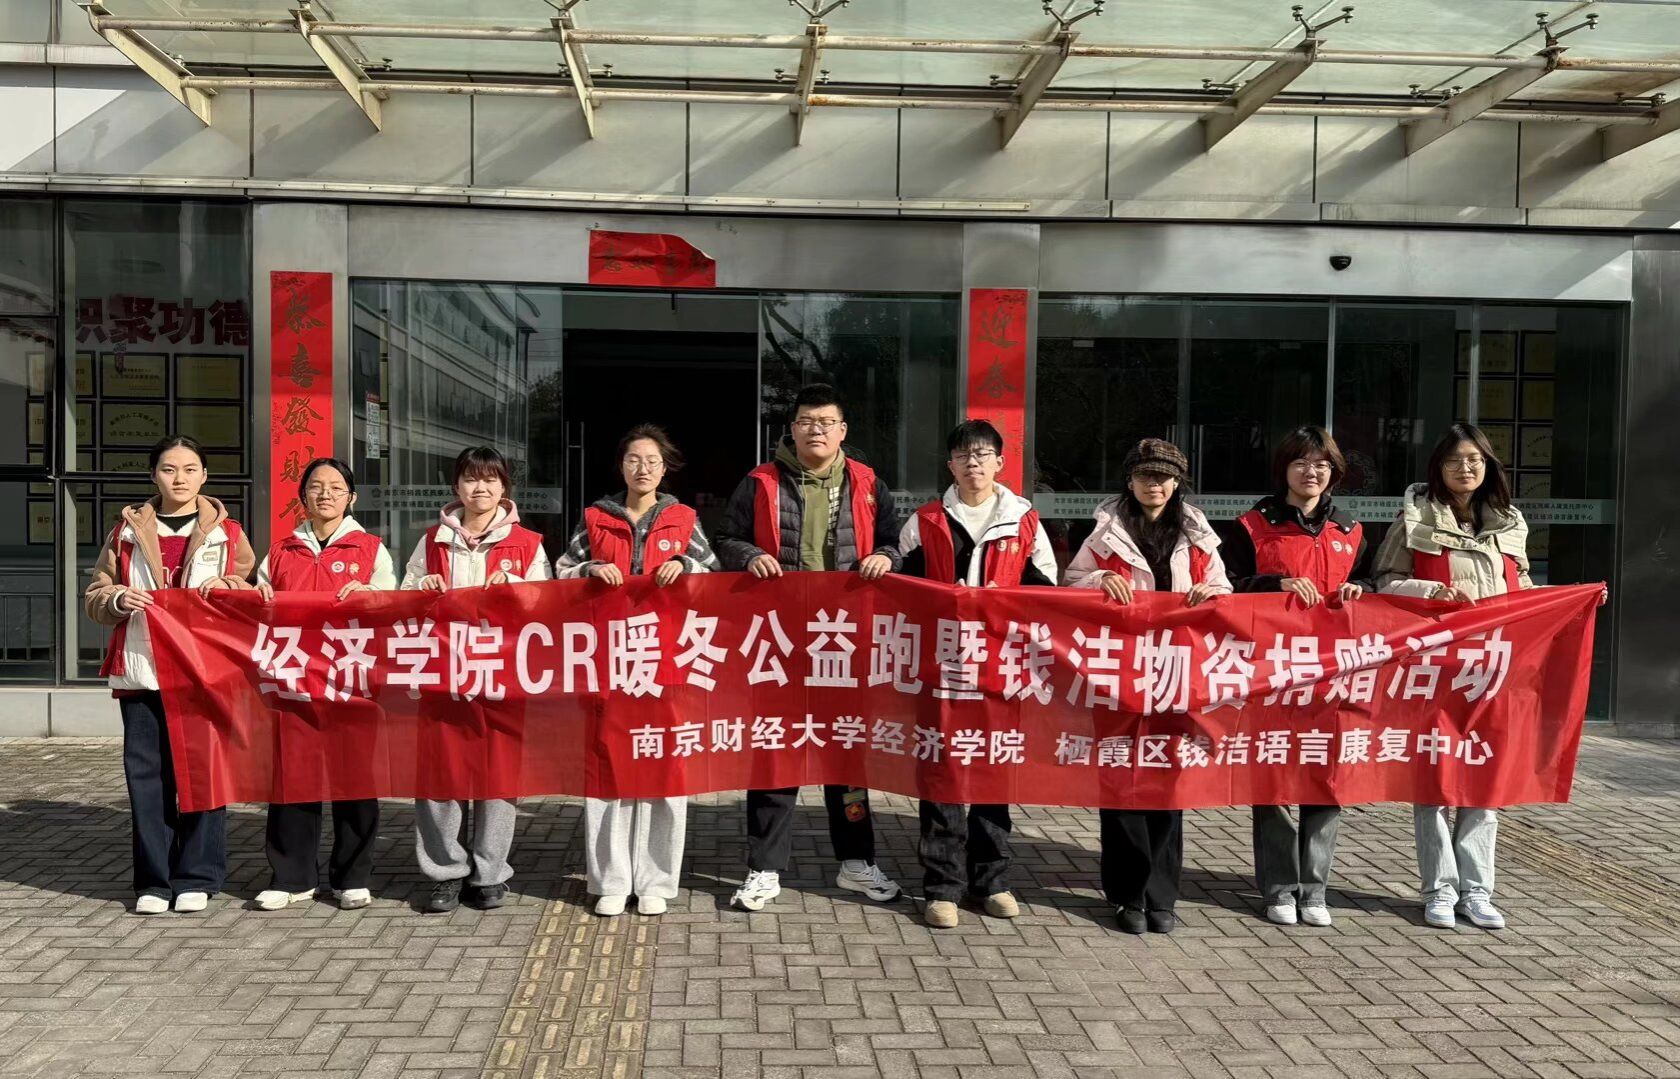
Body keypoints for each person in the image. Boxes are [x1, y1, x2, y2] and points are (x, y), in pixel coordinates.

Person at [714, 383, 904, 912]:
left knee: (847, 754)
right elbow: (725, 539)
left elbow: (894, 543)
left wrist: (886, 557)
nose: (815, 429)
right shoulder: (760, 482)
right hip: (779, 639)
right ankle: (764, 868)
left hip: (845, 640)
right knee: (775, 751)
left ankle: (856, 861)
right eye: (806, 421)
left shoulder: (868, 484)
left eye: (825, 422)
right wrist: (750, 555)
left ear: (842, 430)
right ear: (792, 429)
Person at [1063, 438, 1231, 934]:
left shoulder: (1197, 532)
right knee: (1121, 779)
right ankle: (1126, 895)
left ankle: (1162, 896)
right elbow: (1070, 583)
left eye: (1163, 476)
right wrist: (1099, 581)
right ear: (1130, 479)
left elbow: (1225, 589)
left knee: (1168, 780)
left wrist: (1210, 593)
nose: (1153, 484)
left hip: (1178, 672)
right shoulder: (1104, 530)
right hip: (1117, 671)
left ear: (1177, 482)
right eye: (1144, 475)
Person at [85, 434, 256, 915]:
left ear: (204, 476)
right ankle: (154, 881)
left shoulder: (229, 534)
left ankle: (197, 875)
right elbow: (96, 594)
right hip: (143, 670)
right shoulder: (125, 532)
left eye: (189, 469)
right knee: (147, 778)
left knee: (203, 774)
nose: (179, 478)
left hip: (204, 673)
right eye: (168, 469)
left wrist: (230, 586)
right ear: (153, 475)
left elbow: (251, 591)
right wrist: (118, 599)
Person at [553, 424, 720, 917]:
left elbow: (713, 575)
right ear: (621, 466)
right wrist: (588, 570)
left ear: (664, 469)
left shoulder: (685, 519)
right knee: (608, 766)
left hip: (666, 659)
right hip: (608, 659)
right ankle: (610, 879)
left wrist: (685, 568)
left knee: (663, 767)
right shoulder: (595, 518)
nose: (642, 468)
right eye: (633, 459)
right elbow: (560, 571)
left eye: (651, 461)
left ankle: (656, 880)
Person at [898, 419, 1058, 929]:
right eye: (964, 455)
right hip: (941, 666)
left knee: (994, 771)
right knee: (941, 772)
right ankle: (942, 888)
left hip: (1000, 669)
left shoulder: (1024, 521)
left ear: (1000, 462)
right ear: (950, 464)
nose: (973, 463)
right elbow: (901, 591)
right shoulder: (925, 521)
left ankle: (992, 882)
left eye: (983, 454)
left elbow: (1047, 591)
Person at [1374, 423, 1526, 932]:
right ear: (1438, 467)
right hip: (1436, 671)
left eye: (1475, 460)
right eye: (1455, 460)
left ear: (1488, 467)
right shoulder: (1414, 519)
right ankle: (1439, 889)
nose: (1466, 469)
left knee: (1484, 779)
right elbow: (1384, 581)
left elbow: (1523, 588)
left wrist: (1571, 601)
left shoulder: (1510, 522)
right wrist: (1432, 593)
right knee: (1436, 782)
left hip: (1493, 669)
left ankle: (1477, 891)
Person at [1223, 425, 1371, 930]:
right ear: (1283, 469)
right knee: (1274, 777)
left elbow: (1374, 582)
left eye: (1322, 465)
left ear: (1334, 472)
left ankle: (1315, 888)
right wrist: (1276, 584)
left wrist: (1360, 589)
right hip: (1271, 671)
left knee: (1327, 779)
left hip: (1335, 673)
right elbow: (1226, 586)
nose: (1312, 472)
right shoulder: (1251, 526)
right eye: (1301, 463)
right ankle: (1279, 887)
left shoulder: (1351, 530)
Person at [401, 445, 553, 913]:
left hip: (502, 674)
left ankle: (489, 873)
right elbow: (403, 597)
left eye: (489, 479)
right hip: (442, 673)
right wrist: (421, 589)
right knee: (440, 775)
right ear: (456, 486)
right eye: (470, 478)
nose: (480, 487)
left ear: (504, 487)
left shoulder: (527, 544)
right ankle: (445, 872)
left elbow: (547, 605)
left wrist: (517, 591)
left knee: (498, 774)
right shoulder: (432, 541)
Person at [252, 458, 397, 912]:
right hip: (293, 679)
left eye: (336, 487)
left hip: (352, 680)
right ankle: (292, 876)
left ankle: (352, 876)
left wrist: (373, 597)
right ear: (303, 497)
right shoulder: (281, 551)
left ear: (352, 497)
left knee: (355, 779)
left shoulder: (371, 549)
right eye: (316, 487)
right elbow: (257, 603)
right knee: (293, 778)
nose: (326, 494)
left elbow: (393, 606)